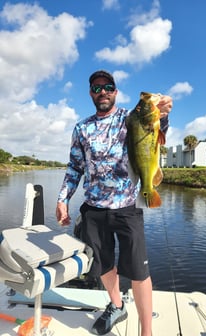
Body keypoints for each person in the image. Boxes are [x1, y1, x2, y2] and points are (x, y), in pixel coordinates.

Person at [56, 70, 173, 336]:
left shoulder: (129, 118)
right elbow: (75, 167)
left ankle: (147, 331)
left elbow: (153, 128)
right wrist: (63, 199)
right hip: (93, 210)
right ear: (90, 94)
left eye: (108, 87)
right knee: (104, 265)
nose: (103, 92)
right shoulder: (81, 128)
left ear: (116, 91)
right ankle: (117, 305)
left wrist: (163, 112)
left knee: (139, 271)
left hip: (128, 207)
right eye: (97, 88)